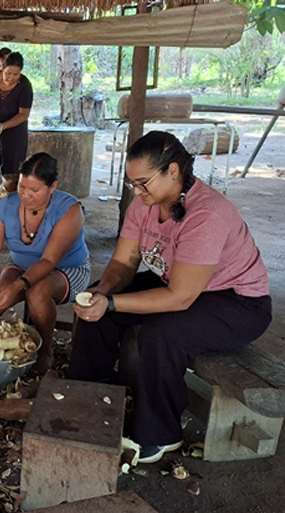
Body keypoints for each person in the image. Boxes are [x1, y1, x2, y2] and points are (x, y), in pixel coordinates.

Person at [68, 131, 271, 464]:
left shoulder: (206, 214)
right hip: (185, 287)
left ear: (173, 171)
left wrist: (115, 302)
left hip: (238, 303)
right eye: (133, 184)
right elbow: (123, 263)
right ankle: (89, 393)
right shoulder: (144, 204)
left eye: (144, 183)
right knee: (96, 300)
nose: (138, 191)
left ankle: (160, 433)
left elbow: (179, 298)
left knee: (163, 334)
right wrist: (103, 293)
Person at [0, 153, 89, 374]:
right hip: (21, 264)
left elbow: (49, 260)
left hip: (67, 268)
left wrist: (18, 285)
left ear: (53, 187)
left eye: (35, 191)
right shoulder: (5, 207)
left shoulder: (69, 210)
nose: (26, 196)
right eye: (22, 187)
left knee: (37, 292)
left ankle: (45, 351)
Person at [0, 52, 33, 187]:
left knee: (11, 171)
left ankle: (10, 198)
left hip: (15, 131)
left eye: (15, 74)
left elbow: (23, 114)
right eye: (8, 73)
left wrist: (2, 126)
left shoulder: (24, 86)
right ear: (2, 68)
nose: (11, 78)